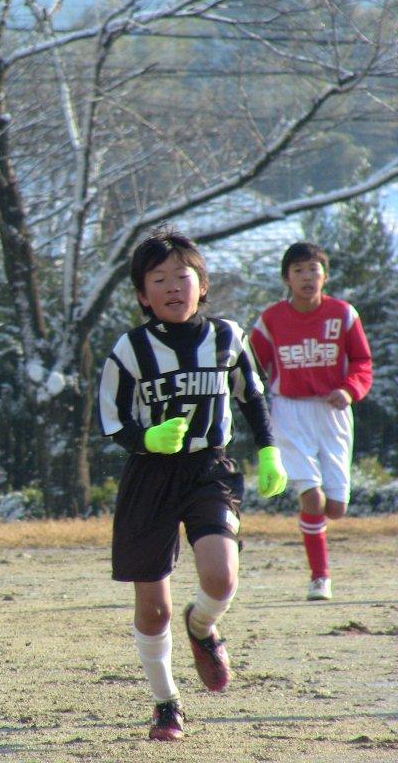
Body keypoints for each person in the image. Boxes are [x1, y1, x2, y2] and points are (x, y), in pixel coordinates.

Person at [97, 230, 288, 741]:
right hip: (150, 477)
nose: (172, 287)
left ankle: (201, 627)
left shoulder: (227, 336)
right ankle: (166, 702)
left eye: (183, 276)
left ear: (202, 284)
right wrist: (147, 439)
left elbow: (252, 396)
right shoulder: (131, 349)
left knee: (221, 577)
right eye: (158, 279)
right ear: (143, 295)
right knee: (153, 608)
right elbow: (111, 420)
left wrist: (268, 449)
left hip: (209, 469)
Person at [250, 242, 372, 601]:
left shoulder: (343, 314)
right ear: (286, 278)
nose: (307, 277)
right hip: (289, 411)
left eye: (313, 270)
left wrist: (350, 389)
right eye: (298, 270)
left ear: (325, 275)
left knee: (336, 507)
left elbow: (362, 361)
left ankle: (317, 528)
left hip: (332, 411)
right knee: (312, 497)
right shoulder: (271, 319)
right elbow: (251, 363)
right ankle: (320, 578)